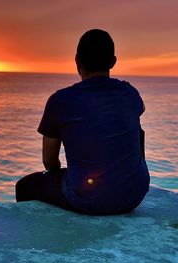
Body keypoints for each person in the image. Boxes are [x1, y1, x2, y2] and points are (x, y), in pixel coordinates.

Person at [15, 29, 150, 215]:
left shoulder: (60, 101)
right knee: (137, 130)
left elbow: (49, 161)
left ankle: (39, 241)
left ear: (77, 61)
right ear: (113, 62)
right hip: (135, 194)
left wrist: (59, 175)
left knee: (24, 186)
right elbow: (139, 111)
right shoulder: (130, 92)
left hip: (89, 199)